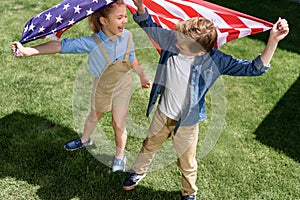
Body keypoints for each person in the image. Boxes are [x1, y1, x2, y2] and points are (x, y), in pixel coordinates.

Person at [122, 0, 289, 199]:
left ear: (200, 51)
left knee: (187, 161)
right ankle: (138, 172)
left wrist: (273, 40)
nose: (176, 43)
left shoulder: (216, 61)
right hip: (162, 113)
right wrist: (141, 7)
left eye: (182, 44)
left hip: (188, 122)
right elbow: (148, 24)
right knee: (149, 145)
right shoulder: (173, 40)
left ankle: (189, 192)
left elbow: (254, 68)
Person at [11, 0, 151, 173]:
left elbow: (132, 59)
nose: (125, 21)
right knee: (94, 116)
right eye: (120, 17)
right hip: (102, 88)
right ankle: (85, 139)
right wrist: (27, 51)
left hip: (123, 87)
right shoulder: (92, 42)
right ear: (104, 21)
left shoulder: (128, 36)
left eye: (125, 17)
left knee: (118, 124)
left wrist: (143, 76)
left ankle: (120, 157)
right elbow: (59, 46)